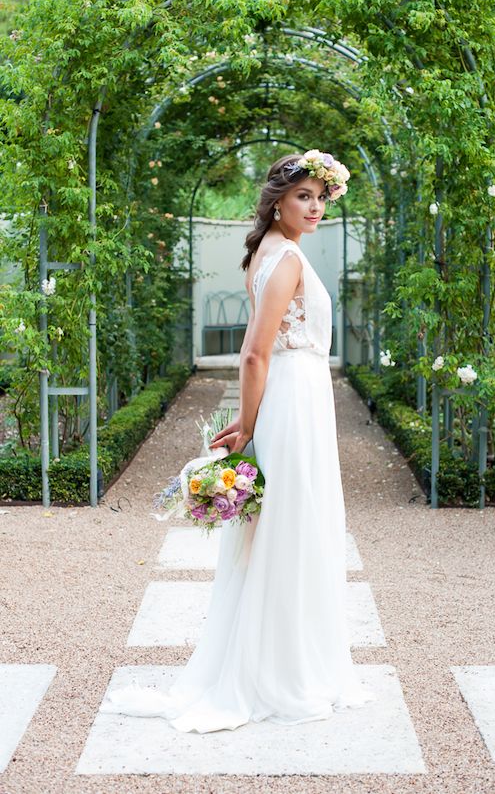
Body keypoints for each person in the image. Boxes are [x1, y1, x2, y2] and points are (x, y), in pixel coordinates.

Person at [106, 150, 375, 732]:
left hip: (300, 395)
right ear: (277, 199)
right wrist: (249, 426)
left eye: (321, 197)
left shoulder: (270, 254)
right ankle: (280, 669)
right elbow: (255, 352)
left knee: (292, 524)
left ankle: (295, 655)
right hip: (292, 397)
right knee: (291, 525)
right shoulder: (282, 261)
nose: (316, 206)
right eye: (304, 195)